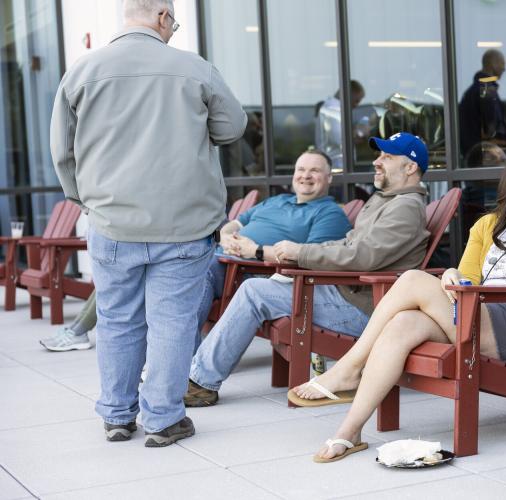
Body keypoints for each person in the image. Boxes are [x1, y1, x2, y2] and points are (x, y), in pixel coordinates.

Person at [291, 153, 506, 463]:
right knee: (403, 323)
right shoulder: (488, 226)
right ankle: (350, 430)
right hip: (477, 314)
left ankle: (349, 369)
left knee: (411, 280)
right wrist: (452, 275)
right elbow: (468, 277)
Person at [50, 0, 247, 447]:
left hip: (113, 222)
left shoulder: (82, 71)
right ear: (161, 17)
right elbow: (232, 128)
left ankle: (118, 416)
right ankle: (162, 419)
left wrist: (88, 202)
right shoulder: (194, 68)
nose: (173, 31)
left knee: (117, 319)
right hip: (184, 224)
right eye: (173, 22)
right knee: (173, 322)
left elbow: (62, 151)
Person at [184, 132, 431, 407]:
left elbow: (363, 257)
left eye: (387, 157)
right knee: (248, 284)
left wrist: (300, 252)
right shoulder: (386, 201)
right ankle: (192, 371)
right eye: (379, 155)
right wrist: (296, 260)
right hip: (343, 292)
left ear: (410, 167)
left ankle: (200, 384)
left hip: (363, 307)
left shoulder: (405, 207)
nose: (377, 162)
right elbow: (349, 244)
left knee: (254, 291)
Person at [195, 149, 351, 338]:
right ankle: (172, 356)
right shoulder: (277, 200)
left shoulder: (329, 213)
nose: (306, 176)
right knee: (181, 271)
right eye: (301, 170)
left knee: (196, 273)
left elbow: (311, 259)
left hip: (257, 274)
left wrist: (253, 250)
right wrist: (224, 238)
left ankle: (178, 356)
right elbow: (234, 225)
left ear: (329, 178)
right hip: (225, 260)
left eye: (314, 171)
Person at [459, 49, 506, 157]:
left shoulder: (475, 91)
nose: (504, 68)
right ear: (493, 63)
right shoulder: (485, 92)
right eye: (502, 63)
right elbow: (492, 130)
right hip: (486, 158)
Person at [315, 80, 367, 170]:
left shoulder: (336, 109)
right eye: (356, 100)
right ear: (349, 93)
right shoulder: (332, 110)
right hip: (336, 168)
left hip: (339, 168)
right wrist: (359, 132)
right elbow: (341, 140)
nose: (357, 105)